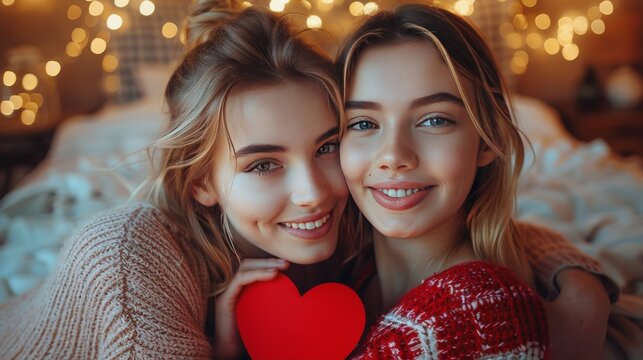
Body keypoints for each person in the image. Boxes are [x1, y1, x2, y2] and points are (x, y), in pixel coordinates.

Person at [0, 5, 358, 359]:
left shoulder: (358, 230)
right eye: (263, 165)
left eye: (327, 147)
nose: (313, 194)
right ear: (200, 182)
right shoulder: (128, 258)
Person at [335, 3, 613, 359]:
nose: (393, 156)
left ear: (487, 140)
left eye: (433, 120)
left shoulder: (477, 311)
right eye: (363, 123)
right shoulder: (351, 266)